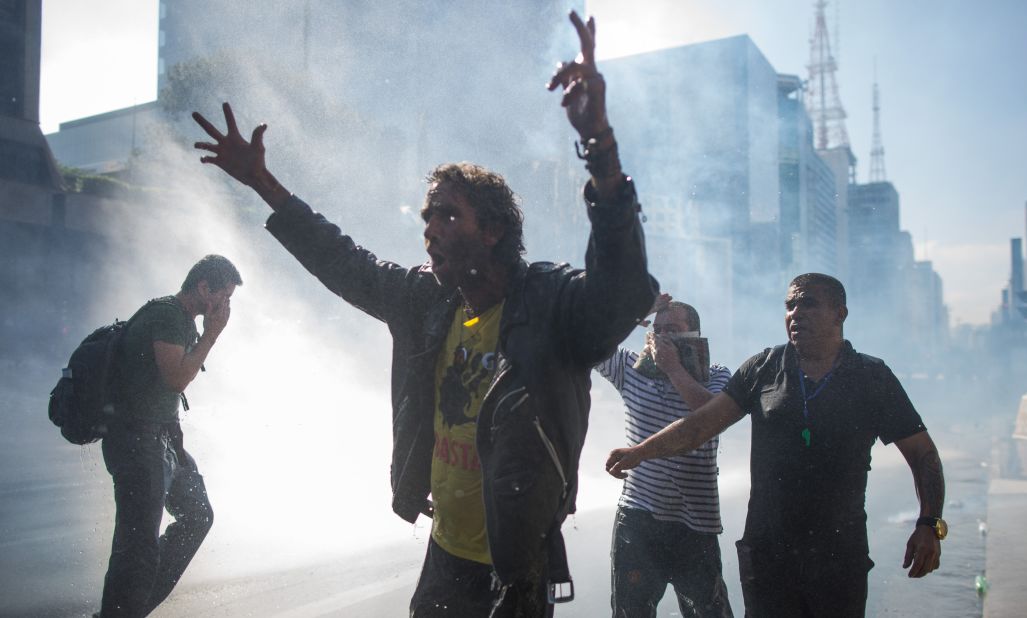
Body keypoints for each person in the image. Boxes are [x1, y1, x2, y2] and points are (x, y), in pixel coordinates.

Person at [191, 11, 656, 617]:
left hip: (516, 570)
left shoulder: (550, 305)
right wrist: (263, 183)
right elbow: (345, 261)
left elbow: (622, 290)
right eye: (426, 216)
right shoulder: (425, 300)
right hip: (444, 558)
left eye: (447, 215)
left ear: (492, 231)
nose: (429, 229)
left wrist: (600, 148)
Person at [606, 273, 946, 618]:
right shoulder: (763, 369)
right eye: (790, 305)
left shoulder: (872, 377)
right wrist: (639, 453)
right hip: (767, 558)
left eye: (808, 303)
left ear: (840, 313)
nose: (796, 313)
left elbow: (923, 454)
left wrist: (929, 524)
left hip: (838, 557)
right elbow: (699, 426)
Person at [98, 254, 241, 618]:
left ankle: (132, 608)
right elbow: (177, 378)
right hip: (136, 441)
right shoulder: (168, 316)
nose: (226, 306)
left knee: (196, 515)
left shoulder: (180, 318)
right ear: (203, 287)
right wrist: (211, 335)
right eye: (223, 296)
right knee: (138, 545)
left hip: (162, 438)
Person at [594, 293, 734, 618]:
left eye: (672, 330)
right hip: (638, 517)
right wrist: (637, 312)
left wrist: (674, 370)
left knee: (709, 612)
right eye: (657, 330)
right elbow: (591, 343)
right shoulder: (631, 367)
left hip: (695, 521)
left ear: (693, 336)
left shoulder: (717, 375)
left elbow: (711, 416)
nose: (662, 338)